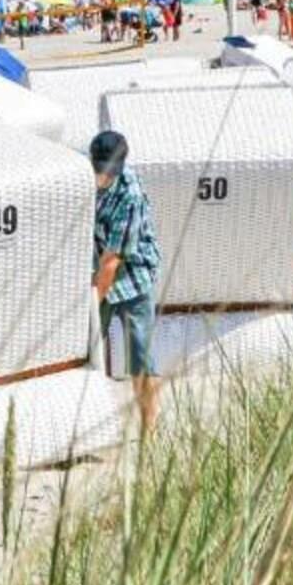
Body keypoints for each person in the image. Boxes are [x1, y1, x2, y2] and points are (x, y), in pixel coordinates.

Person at [90, 131, 162, 438]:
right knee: (88, 348)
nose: (103, 177)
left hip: (133, 278)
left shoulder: (130, 196)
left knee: (140, 357)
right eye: (100, 170)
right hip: (99, 274)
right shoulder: (85, 176)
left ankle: (150, 431)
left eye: (109, 171)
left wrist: (92, 306)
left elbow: (112, 262)